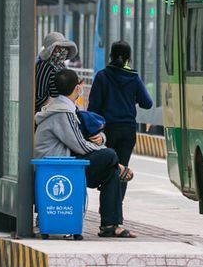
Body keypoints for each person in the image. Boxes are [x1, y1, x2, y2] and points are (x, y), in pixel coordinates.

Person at [34, 68, 136, 238]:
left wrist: (101, 140)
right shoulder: (62, 113)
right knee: (110, 156)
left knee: (110, 172)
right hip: (59, 167)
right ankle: (118, 170)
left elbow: (83, 137)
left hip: (65, 163)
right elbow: (81, 145)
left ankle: (110, 225)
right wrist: (111, 157)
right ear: (76, 88)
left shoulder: (62, 108)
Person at [88, 40, 153, 210]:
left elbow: (93, 107)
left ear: (110, 55)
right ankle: (116, 210)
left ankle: (107, 211)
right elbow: (147, 103)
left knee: (110, 169)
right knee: (122, 170)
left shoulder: (102, 76)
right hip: (128, 131)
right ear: (128, 59)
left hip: (108, 131)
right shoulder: (133, 77)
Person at [34, 32, 79, 113]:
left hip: (63, 111)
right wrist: (56, 102)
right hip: (49, 115)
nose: (64, 50)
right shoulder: (45, 67)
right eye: (59, 48)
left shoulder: (60, 65)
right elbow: (39, 98)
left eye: (65, 47)